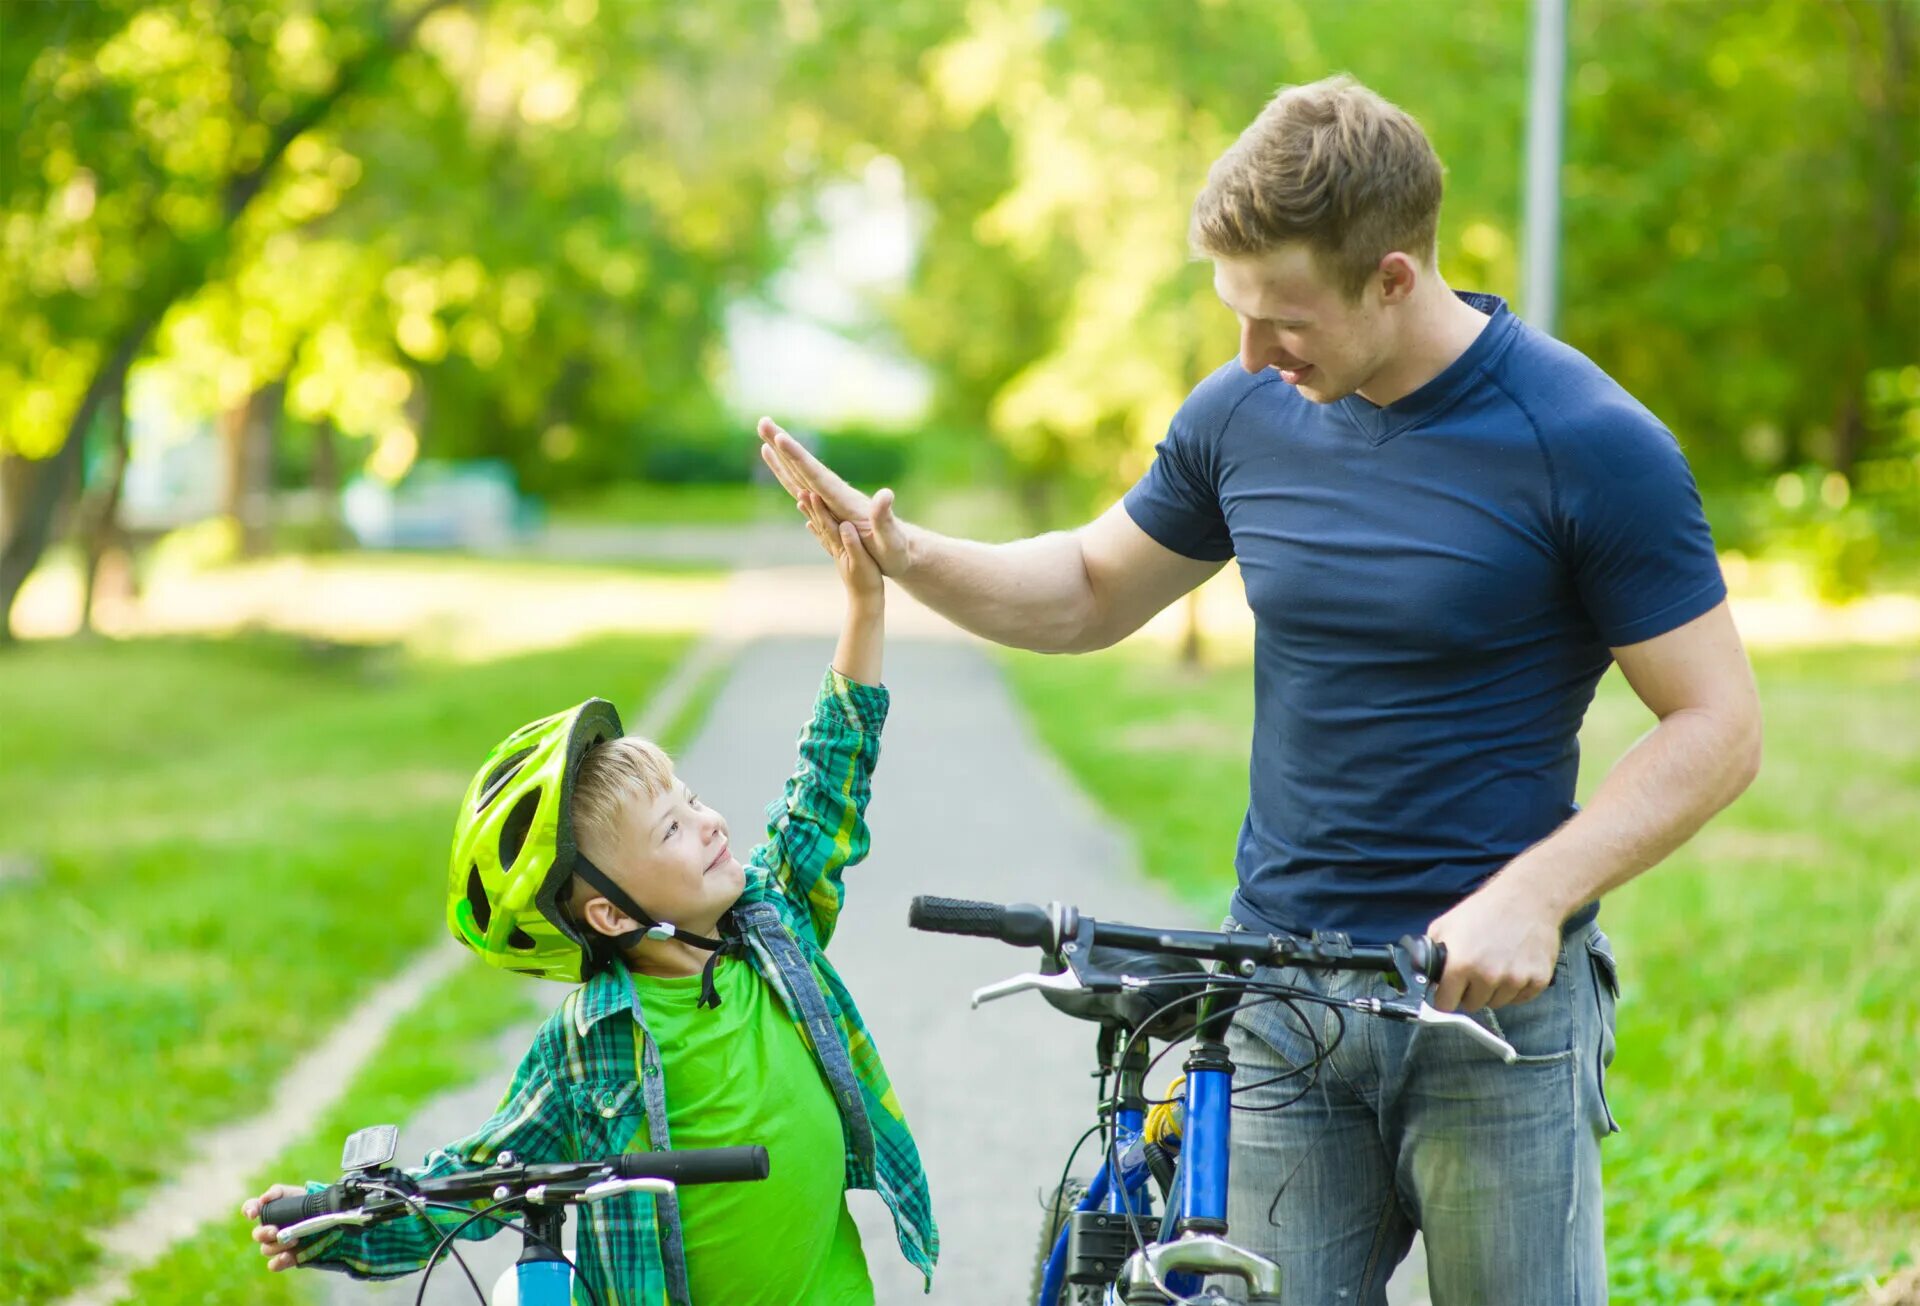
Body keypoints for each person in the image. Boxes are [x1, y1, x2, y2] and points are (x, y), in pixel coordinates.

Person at [758, 73, 1761, 1304]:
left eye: (1282, 318)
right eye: (1236, 314)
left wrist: (1537, 896)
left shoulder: (1588, 442)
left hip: (1490, 1026)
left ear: (1393, 276)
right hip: (1278, 1002)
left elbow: (1718, 724)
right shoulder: (1250, 410)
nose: (1248, 353)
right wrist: (906, 556)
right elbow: (1087, 587)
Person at [243, 515, 936, 1305]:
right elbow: (478, 1181)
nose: (709, 822)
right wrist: (335, 1223)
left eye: (692, 798)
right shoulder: (590, 1042)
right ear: (612, 916)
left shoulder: (775, 931)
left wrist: (864, 608)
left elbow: (826, 785)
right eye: (672, 828)